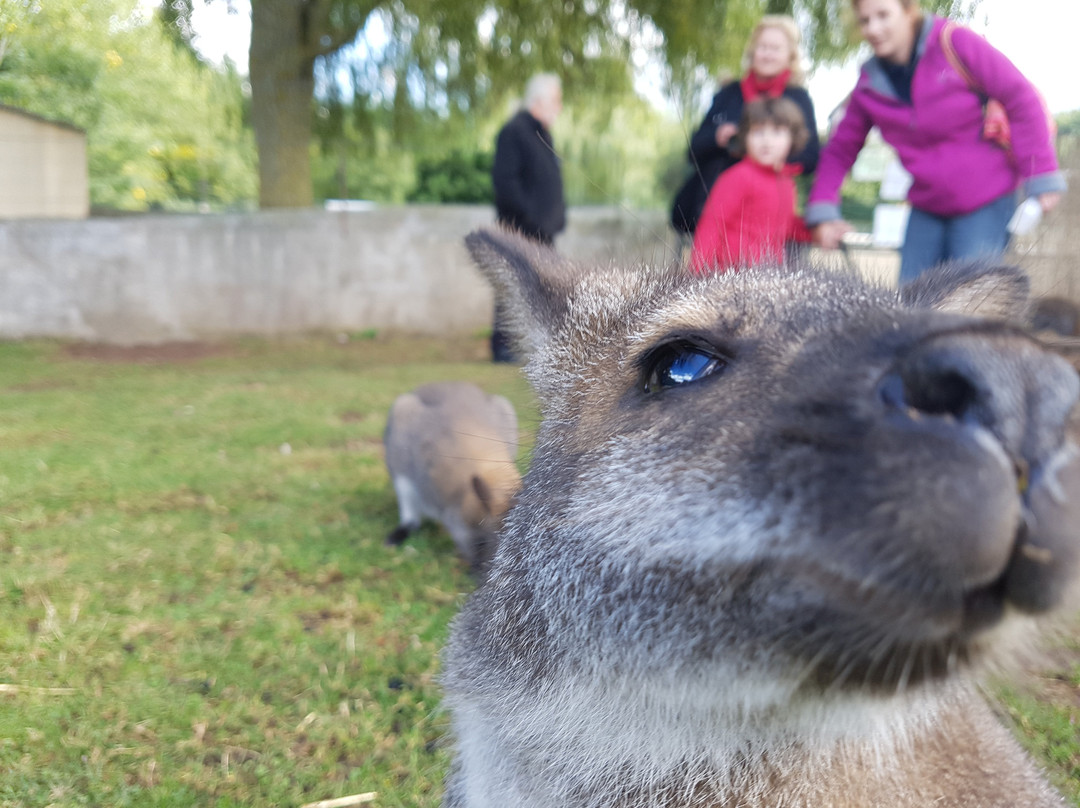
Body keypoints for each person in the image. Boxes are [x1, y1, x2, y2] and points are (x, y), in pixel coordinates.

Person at [806, 0, 1066, 285]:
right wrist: (823, 208)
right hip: (927, 204)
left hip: (984, 199)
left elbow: (1020, 97)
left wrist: (1040, 174)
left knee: (970, 304)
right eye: (865, 20)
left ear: (908, 12)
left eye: (883, 15)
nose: (874, 28)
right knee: (910, 303)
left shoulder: (954, 42)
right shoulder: (871, 82)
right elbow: (841, 149)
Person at [670, 15, 819, 236]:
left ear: (790, 55)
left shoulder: (798, 98)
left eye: (775, 48)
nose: (768, 53)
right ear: (752, 52)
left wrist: (767, 156)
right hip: (715, 200)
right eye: (763, 47)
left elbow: (809, 157)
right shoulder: (729, 94)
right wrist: (718, 137)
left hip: (767, 204)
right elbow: (693, 151)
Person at [489, 73, 566, 361]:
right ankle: (504, 346)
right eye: (555, 101)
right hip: (521, 227)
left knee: (541, 287)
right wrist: (530, 217)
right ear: (538, 101)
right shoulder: (514, 132)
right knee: (514, 283)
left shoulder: (542, 134)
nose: (559, 107)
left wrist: (555, 217)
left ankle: (530, 344)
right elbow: (506, 182)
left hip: (543, 230)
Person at [690, 97, 813, 273]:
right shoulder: (737, 177)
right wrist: (696, 275)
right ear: (745, 137)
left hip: (770, 274)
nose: (766, 140)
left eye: (777, 131)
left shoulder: (787, 182)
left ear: (792, 137)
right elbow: (711, 225)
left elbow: (785, 226)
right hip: (730, 276)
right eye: (758, 132)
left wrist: (815, 231)